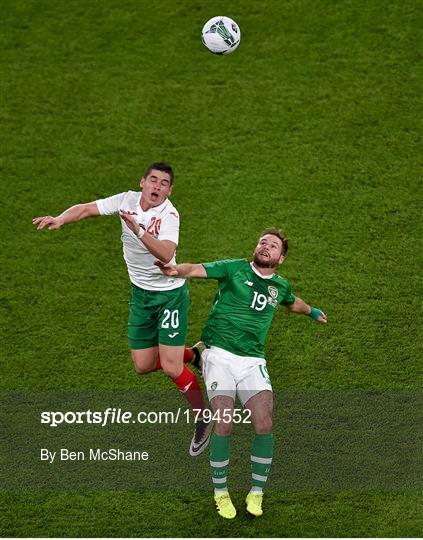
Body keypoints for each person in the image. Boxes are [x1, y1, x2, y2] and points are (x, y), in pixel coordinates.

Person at [32, 162, 213, 456]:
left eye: (164, 183)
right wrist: (61, 218)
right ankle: (195, 354)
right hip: (141, 296)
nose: (157, 187)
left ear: (169, 190)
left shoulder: (169, 214)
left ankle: (203, 418)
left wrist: (139, 231)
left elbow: (167, 253)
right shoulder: (126, 200)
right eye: (153, 180)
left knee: (170, 367)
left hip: (169, 296)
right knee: (142, 365)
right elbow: (87, 208)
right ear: (142, 182)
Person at [156, 228, 327, 519]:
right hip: (219, 354)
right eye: (263, 242)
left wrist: (311, 311)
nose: (265, 247)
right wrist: (176, 271)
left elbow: (292, 302)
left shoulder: (280, 286)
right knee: (224, 422)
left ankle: (256, 492)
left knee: (264, 421)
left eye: (272, 246)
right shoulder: (234, 268)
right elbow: (197, 270)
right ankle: (221, 493)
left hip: (252, 360)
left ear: (280, 258)